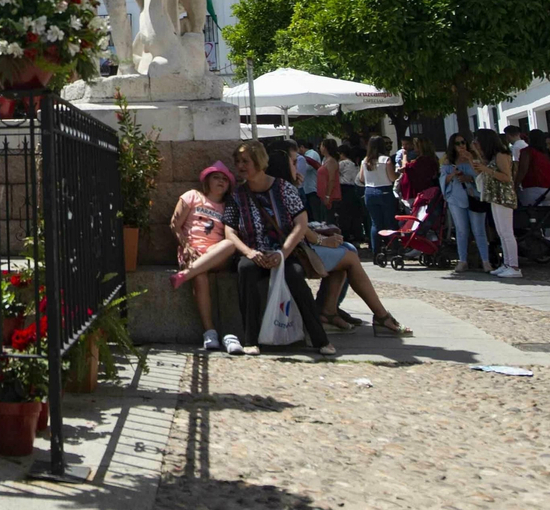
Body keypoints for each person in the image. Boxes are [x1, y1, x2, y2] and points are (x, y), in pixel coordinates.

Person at [222, 141, 335, 357]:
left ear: (259, 162)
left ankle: (320, 339)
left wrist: (282, 252)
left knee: (295, 275)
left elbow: (301, 224)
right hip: (254, 252)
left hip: (284, 252)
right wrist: (249, 252)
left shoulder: (284, 188)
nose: (241, 166)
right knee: (245, 271)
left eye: (245, 161)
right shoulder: (238, 195)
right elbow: (230, 231)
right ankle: (251, 339)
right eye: (238, 162)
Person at [170, 162, 253, 352]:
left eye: (225, 179)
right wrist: (186, 246)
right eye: (216, 177)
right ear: (207, 180)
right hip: (192, 252)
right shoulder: (192, 196)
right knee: (200, 275)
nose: (221, 181)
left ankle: (184, 276)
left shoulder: (229, 207)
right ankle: (210, 333)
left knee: (230, 244)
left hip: (217, 255)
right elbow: (174, 225)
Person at [471, 128, 520, 279]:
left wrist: (486, 169)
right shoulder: (493, 156)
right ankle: (506, 263)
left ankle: (514, 266)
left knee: (507, 232)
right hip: (495, 196)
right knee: (501, 232)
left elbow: (506, 177)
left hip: (503, 196)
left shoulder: (502, 154)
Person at [441, 133, 490, 273]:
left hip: (474, 197)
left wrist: (470, 163)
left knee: (479, 230)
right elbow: (443, 180)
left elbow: (482, 177)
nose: (461, 145)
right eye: (458, 143)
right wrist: (453, 174)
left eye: (463, 142)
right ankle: (462, 260)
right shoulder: (448, 162)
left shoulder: (474, 159)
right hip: (456, 198)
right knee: (461, 230)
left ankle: (485, 260)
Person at [360, 136, 398, 258]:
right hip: (385, 190)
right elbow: (392, 178)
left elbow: (361, 178)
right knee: (390, 222)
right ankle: (393, 249)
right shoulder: (385, 160)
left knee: (375, 223)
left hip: (369, 191)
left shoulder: (365, 161)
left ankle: (376, 252)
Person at [517, 129, 550, 207]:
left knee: (532, 215)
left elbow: (523, 170)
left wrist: (515, 184)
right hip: (549, 188)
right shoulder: (547, 153)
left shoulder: (527, 151)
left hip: (532, 188)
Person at [397, 135, 440, 204]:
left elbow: (405, 167)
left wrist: (404, 155)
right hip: (420, 192)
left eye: (415, 146)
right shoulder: (432, 158)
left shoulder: (423, 160)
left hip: (417, 193)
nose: (414, 148)